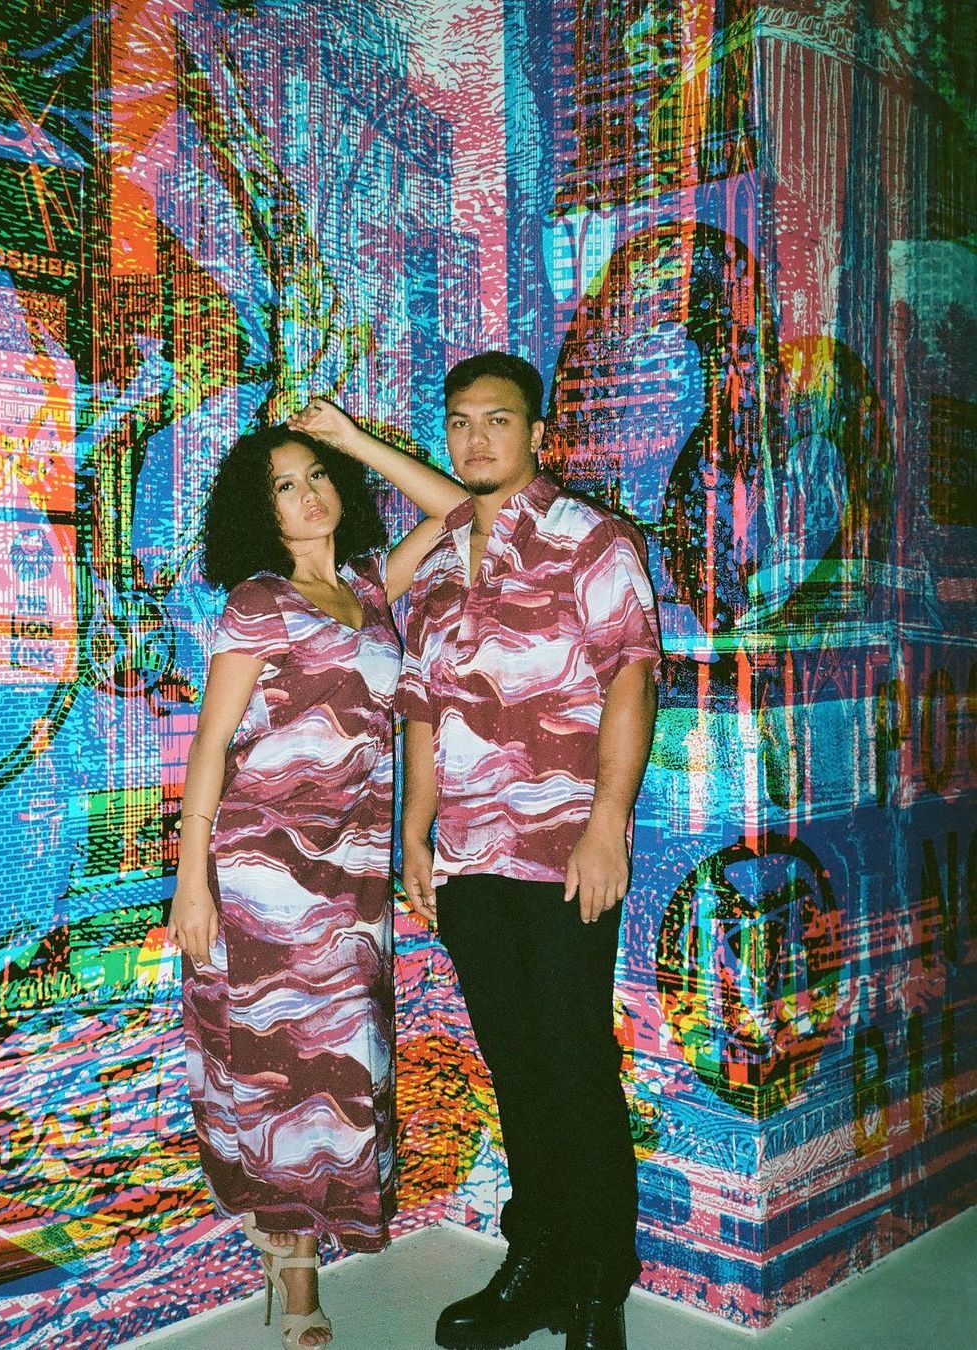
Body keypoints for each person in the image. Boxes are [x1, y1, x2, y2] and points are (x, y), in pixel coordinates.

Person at [168, 412, 465, 1349]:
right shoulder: (259, 601)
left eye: (318, 474)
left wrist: (354, 439)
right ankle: (295, 1275)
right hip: (264, 872)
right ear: (259, 514)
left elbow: (458, 510)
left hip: (354, 873)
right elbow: (211, 746)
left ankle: (300, 1242)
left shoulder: (370, 589)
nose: (308, 495)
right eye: (285, 486)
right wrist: (191, 881)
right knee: (280, 1067)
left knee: (337, 1065)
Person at [398, 352, 662, 1350]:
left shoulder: (591, 540)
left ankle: (596, 1286)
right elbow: (423, 711)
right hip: (470, 857)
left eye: (497, 420)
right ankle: (538, 1260)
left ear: (537, 434)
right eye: (460, 422)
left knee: (575, 1060)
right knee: (514, 1063)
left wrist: (606, 825)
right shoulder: (434, 564)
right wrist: (415, 832)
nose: (476, 439)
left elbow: (631, 677)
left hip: (562, 849)